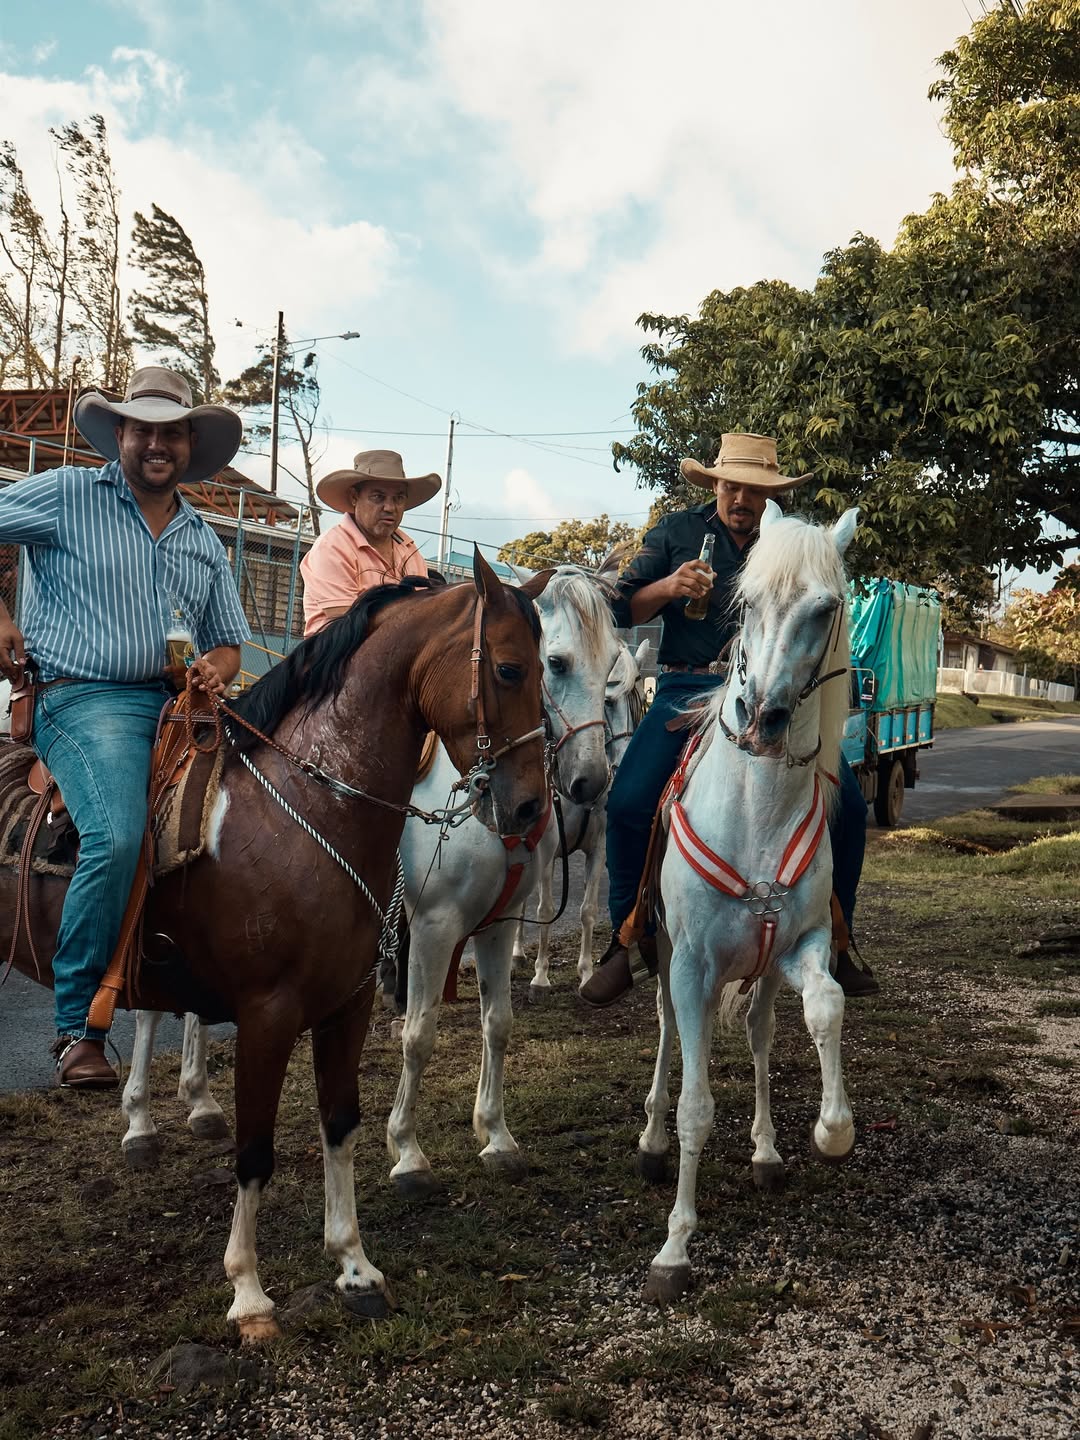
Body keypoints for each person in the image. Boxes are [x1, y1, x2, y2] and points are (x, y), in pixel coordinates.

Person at [0, 366, 251, 1087]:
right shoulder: (68, 494)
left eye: (170, 431)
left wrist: (217, 670)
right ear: (120, 435)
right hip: (84, 698)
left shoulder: (203, 538)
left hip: (180, 705)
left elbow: (229, 641)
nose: (156, 444)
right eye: (142, 429)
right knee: (116, 834)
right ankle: (78, 1027)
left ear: (189, 443)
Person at [579, 432, 875, 1007]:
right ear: (714, 483)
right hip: (689, 686)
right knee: (630, 801)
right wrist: (669, 586)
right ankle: (625, 938)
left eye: (755, 489)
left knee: (853, 809)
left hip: (775, 690)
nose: (741, 497)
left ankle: (839, 939)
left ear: (770, 495)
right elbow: (618, 607)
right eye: (732, 485)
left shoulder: (788, 543)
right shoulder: (676, 532)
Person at [300, 450, 441, 635]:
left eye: (398, 498)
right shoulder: (332, 548)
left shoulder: (409, 550)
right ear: (354, 497)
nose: (390, 507)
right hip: (334, 660)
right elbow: (348, 625)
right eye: (378, 497)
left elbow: (423, 617)